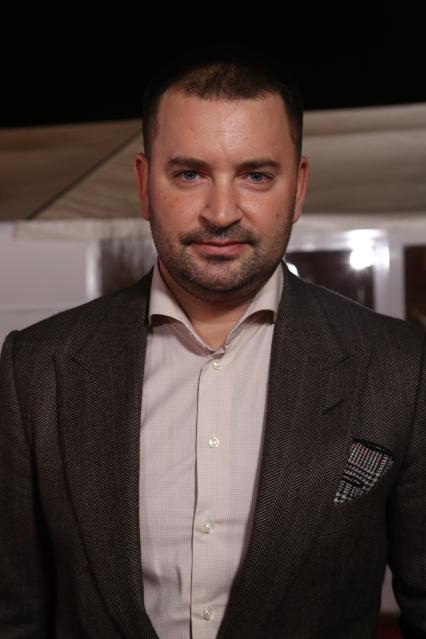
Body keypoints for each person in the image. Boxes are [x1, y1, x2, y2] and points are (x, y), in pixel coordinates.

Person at [0, 45, 425, 639]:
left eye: (256, 175)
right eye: (190, 174)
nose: (222, 212)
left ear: (298, 187)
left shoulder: (400, 368)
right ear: (144, 185)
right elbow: (14, 615)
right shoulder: (36, 369)